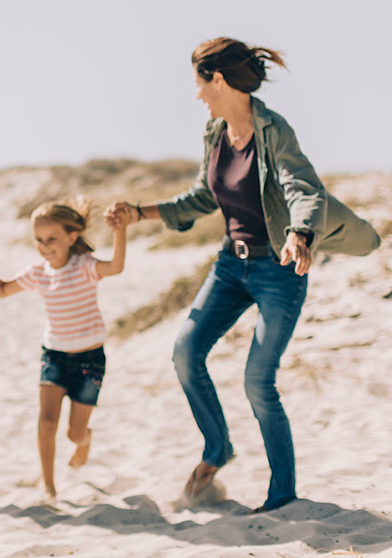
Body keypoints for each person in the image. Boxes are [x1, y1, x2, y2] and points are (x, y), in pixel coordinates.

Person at [106, 37, 380, 513]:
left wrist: (300, 234)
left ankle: (282, 495)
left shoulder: (274, 130)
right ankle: (217, 448)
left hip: (278, 269)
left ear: (217, 79)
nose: (195, 95)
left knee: (258, 379)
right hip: (231, 266)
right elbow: (201, 197)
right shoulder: (215, 133)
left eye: (199, 83)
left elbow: (303, 188)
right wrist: (140, 213)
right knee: (186, 351)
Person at [0, 200, 129, 498]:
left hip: (90, 360)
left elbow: (116, 267)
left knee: (74, 433)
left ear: (71, 236)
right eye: (38, 240)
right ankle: (50, 487)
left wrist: (121, 231)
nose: (44, 246)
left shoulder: (85, 266)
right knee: (46, 422)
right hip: (53, 355)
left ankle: (85, 440)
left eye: (51, 239)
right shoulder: (38, 272)